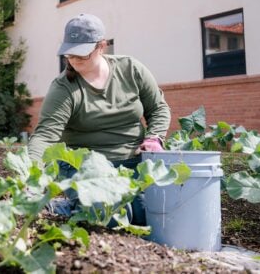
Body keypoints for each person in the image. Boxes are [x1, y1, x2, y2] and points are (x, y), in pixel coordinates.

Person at [27, 13, 170, 225]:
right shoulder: (64, 87)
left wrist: (154, 137)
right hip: (85, 167)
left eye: (82, 54)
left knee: (150, 218)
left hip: (132, 162)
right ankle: (68, 208)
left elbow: (158, 108)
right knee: (107, 216)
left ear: (102, 46)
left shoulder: (130, 69)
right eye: (69, 54)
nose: (74, 60)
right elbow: (45, 135)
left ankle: (68, 209)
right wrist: (30, 177)